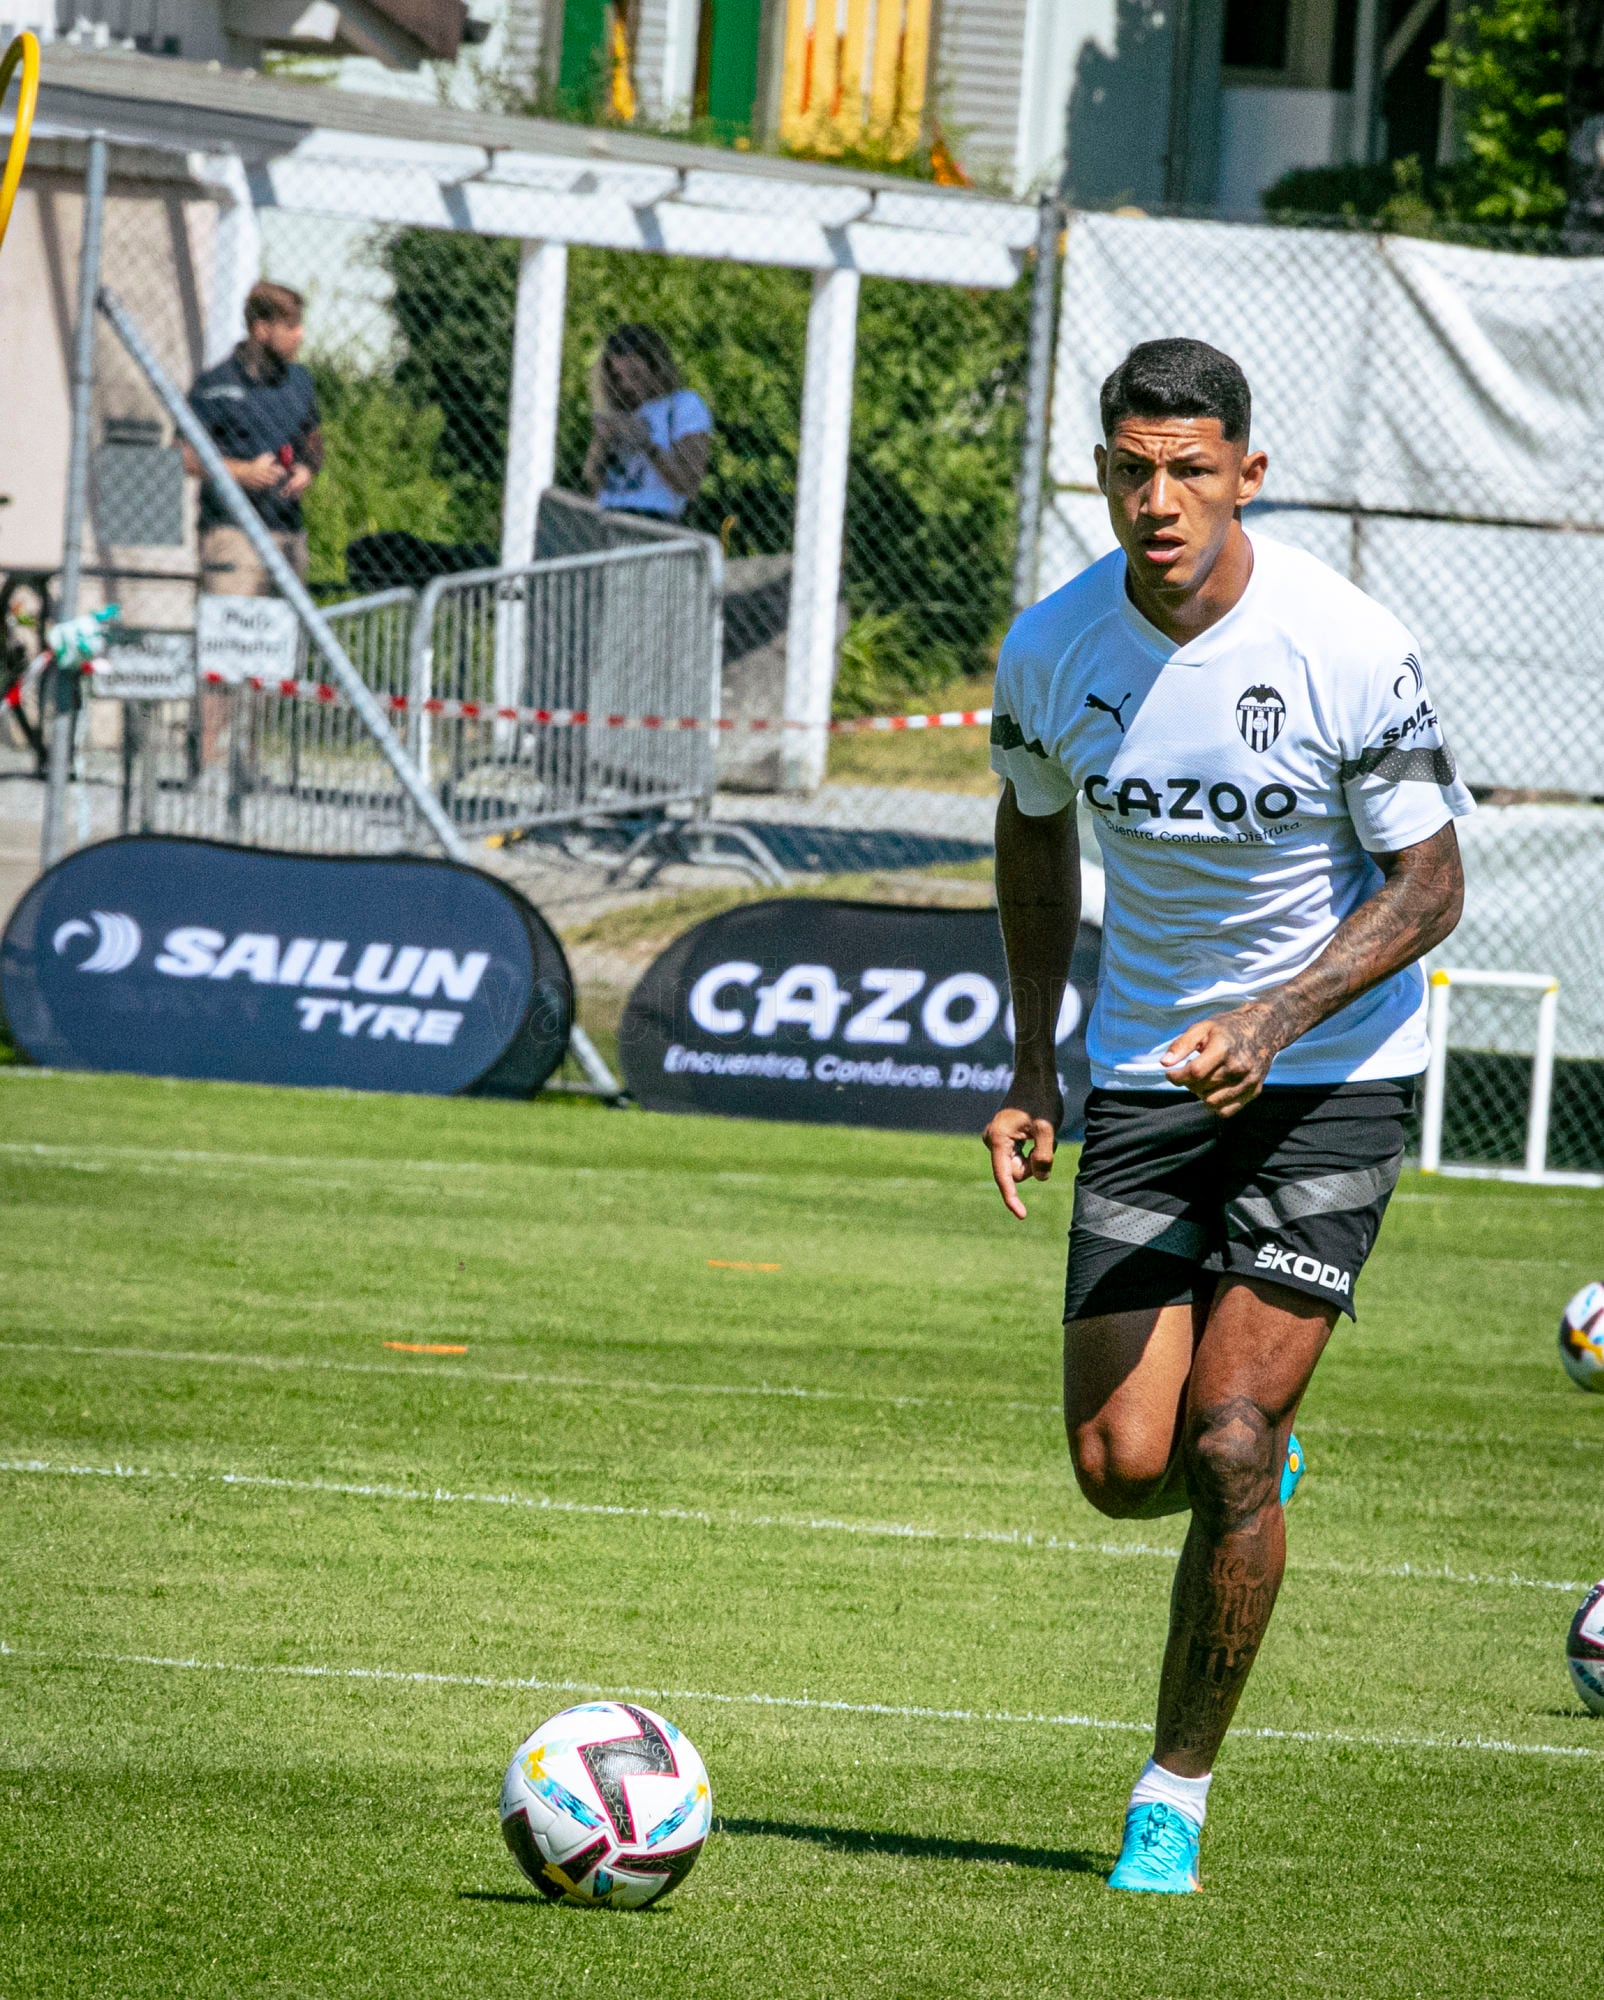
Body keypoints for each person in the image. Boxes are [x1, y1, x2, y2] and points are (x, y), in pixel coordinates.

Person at [984, 338, 1471, 1894]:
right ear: (1102, 477)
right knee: (1126, 1467)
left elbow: (1432, 880)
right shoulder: (1054, 651)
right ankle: (1228, 1467)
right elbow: (1032, 834)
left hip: (1330, 1076)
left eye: (1190, 469)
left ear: (1246, 473)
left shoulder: (1340, 641)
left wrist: (1278, 1015)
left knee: (1234, 1435)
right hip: (1146, 1076)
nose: (1159, 500)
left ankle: (1171, 1796)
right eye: (1132, 469)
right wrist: (1032, 1066)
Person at [186, 280, 322, 596]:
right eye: (290, 326)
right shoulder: (215, 384)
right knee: (230, 634)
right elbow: (184, 455)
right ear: (261, 329)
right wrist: (242, 472)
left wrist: (307, 469)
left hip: (287, 534)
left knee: (284, 636)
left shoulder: (300, 382)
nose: (300, 334)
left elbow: (313, 442)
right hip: (231, 533)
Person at [584, 324, 710, 522]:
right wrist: (602, 442)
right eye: (617, 377)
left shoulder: (682, 405)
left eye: (635, 374)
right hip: (606, 515)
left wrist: (647, 444)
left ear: (657, 368)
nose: (625, 385)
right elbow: (592, 484)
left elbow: (689, 485)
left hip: (653, 518)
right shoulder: (619, 410)